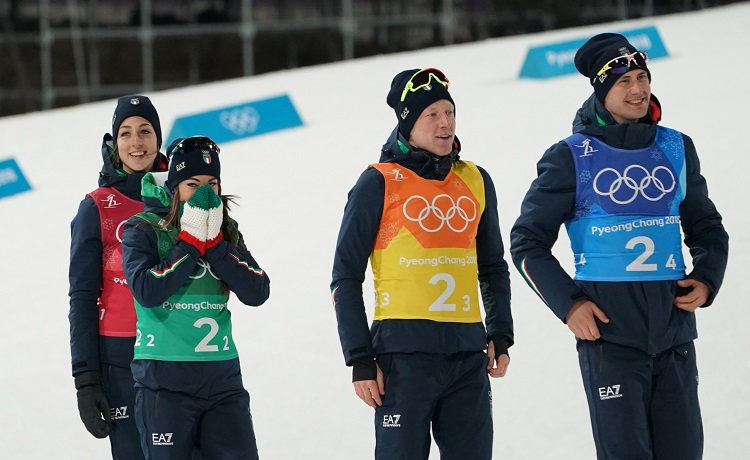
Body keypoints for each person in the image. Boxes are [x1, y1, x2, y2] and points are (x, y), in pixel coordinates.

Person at [510, 33, 729, 460]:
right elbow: (526, 244)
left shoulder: (675, 147)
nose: (638, 89)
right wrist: (569, 305)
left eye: (643, 77)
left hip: (674, 337)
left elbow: (707, 226)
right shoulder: (570, 156)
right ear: (601, 90)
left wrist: (706, 276)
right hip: (611, 341)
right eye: (624, 81)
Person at [331, 67, 513, 460]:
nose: (445, 122)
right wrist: (360, 358)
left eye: (449, 112)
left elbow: (494, 266)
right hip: (403, 357)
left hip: (467, 354)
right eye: (432, 114)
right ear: (408, 123)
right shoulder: (378, 181)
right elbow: (345, 277)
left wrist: (500, 329)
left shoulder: (476, 179)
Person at [121, 135, 270, 459]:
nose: (204, 193)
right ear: (174, 187)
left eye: (211, 183)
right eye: (192, 183)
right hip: (164, 381)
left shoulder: (226, 229)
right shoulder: (142, 228)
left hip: (222, 380)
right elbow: (146, 290)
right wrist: (189, 243)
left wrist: (216, 246)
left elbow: (258, 291)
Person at [69, 95, 168, 459]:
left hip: (180, 349)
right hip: (121, 358)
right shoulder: (95, 206)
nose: (136, 142)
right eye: (125, 133)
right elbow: (81, 297)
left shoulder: (181, 195)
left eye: (145, 130)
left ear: (158, 138)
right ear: (114, 143)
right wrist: (86, 379)